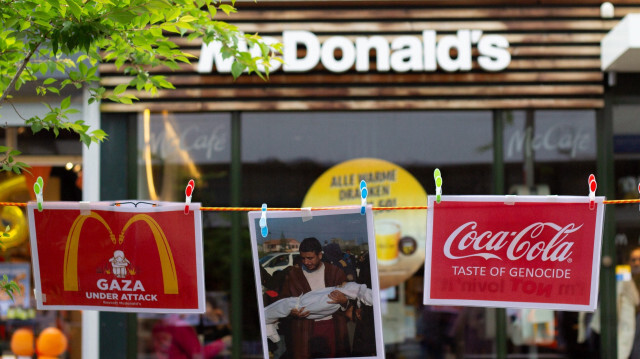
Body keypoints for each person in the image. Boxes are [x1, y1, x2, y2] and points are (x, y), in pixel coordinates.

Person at [279, 237, 350, 358]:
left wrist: (345, 301)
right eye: (303, 258)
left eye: (310, 258)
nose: (306, 262)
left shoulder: (336, 273)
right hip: (304, 331)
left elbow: (350, 299)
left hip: (333, 327)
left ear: (320, 255)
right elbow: (283, 301)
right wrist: (292, 312)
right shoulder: (293, 276)